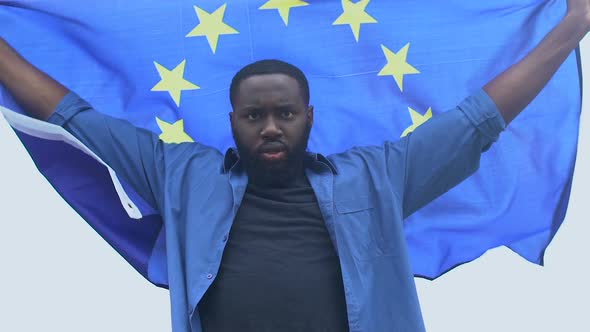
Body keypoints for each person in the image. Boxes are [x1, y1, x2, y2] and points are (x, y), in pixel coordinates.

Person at [0, 1, 588, 331]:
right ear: (232, 120)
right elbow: (72, 115)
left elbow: (478, 119)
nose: (272, 126)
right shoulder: (179, 175)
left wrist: (571, 27)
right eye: (255, 116)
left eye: (284, 113)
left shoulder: (378, 175)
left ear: (309, 116)